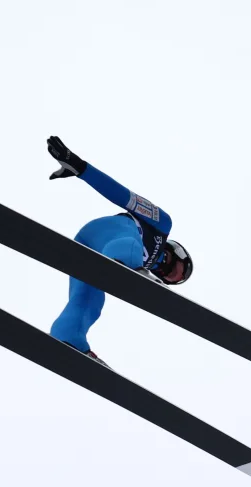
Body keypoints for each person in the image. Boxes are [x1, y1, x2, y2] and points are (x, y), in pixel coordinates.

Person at [44, 136, 193, 366]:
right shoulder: (162, 226)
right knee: (130, 241)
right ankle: (130, 267)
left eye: (167, 276)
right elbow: (123, 195)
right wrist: (81, 168)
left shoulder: (148, 261)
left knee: (88, 302)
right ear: (175, 250)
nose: (164, 268)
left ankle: (69, 336)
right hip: (105, 234)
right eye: (172, 265)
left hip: (85, 252)